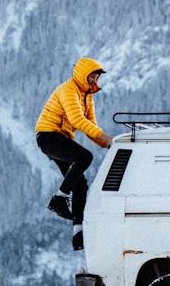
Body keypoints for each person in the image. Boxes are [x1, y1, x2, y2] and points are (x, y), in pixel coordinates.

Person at [35, 57, 114, 251]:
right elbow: (77, 119)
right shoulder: (68, 89)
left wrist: (111, 145)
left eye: (96, 77)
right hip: (48, 136)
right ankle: (60, 199)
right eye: (92, 76)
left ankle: (78, 233)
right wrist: (105, 138)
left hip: (61, 139)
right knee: (84, 157)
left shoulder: (87, 96)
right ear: (82, 75)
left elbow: (91, 128)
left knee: (81, 184)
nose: (94, 80)